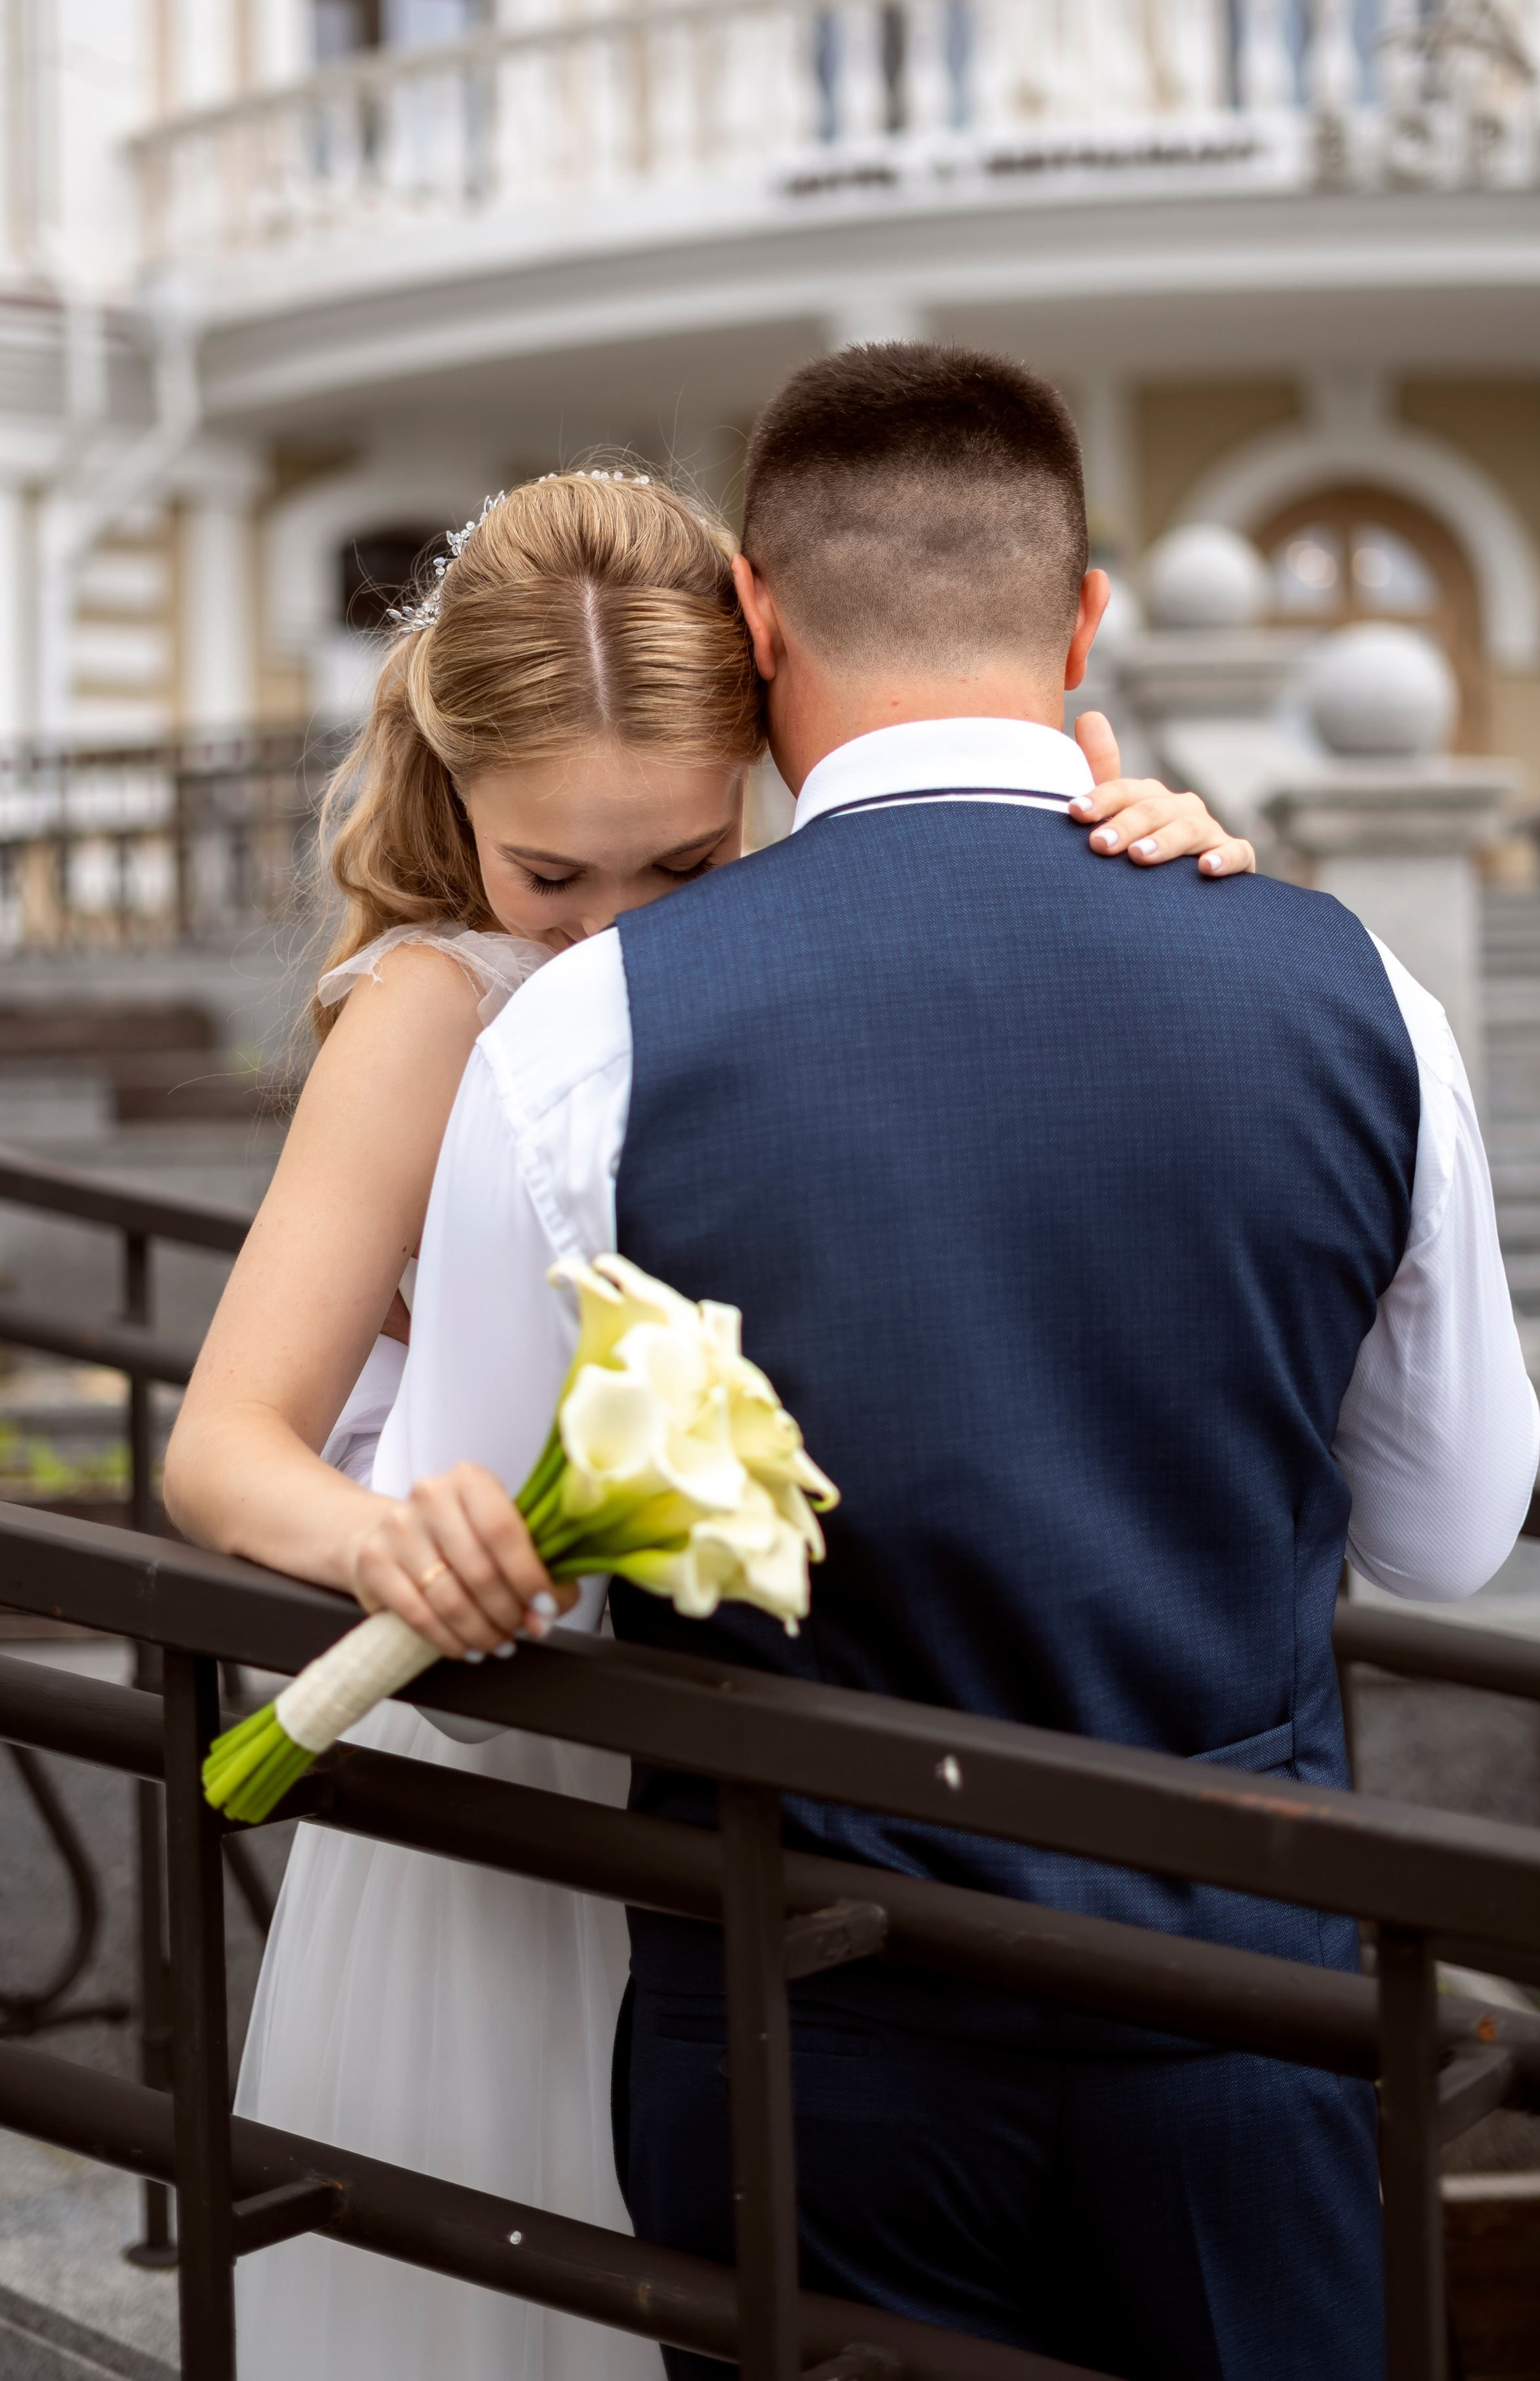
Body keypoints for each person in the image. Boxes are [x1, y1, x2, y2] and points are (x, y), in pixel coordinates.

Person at [384, 349, 1539, 2381]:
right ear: (1086, 617)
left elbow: (488, 1629)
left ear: (752, 618)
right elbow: (1450, 1538)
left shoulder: (581, 1032)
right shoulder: (1349, 982)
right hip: (1237, 1998)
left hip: (802, 2015)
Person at [161, 462, 1249, 2381]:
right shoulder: (436, 1005)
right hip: (516, 1789)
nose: (604, 940)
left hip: (789, 1765)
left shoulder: (820, 964)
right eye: (547, 874)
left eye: (680, 866)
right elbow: (227, 1437)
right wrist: (381, 1539)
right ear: (456, 785)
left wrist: (1134, 844)